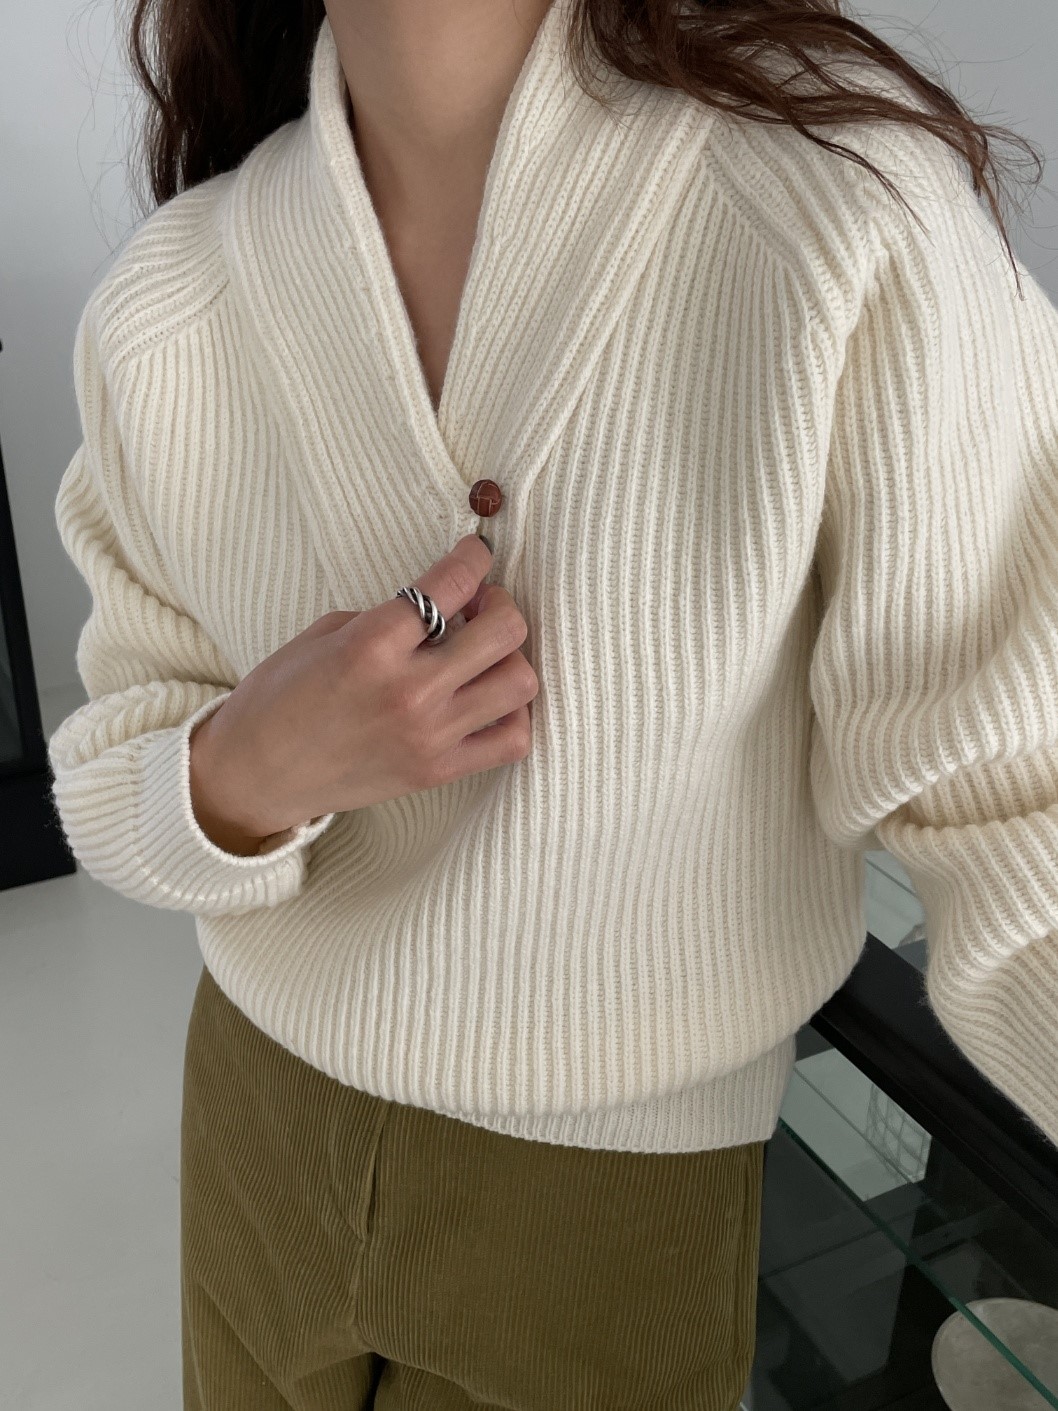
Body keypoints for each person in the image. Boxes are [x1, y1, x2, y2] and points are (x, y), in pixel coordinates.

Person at [48, 0, 1058, 1406]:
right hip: (259, 1111)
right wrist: (248, 771)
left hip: (607, 1192)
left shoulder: (833, 210)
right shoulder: (170, 298)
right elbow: (111, 779)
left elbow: (1018, 799)